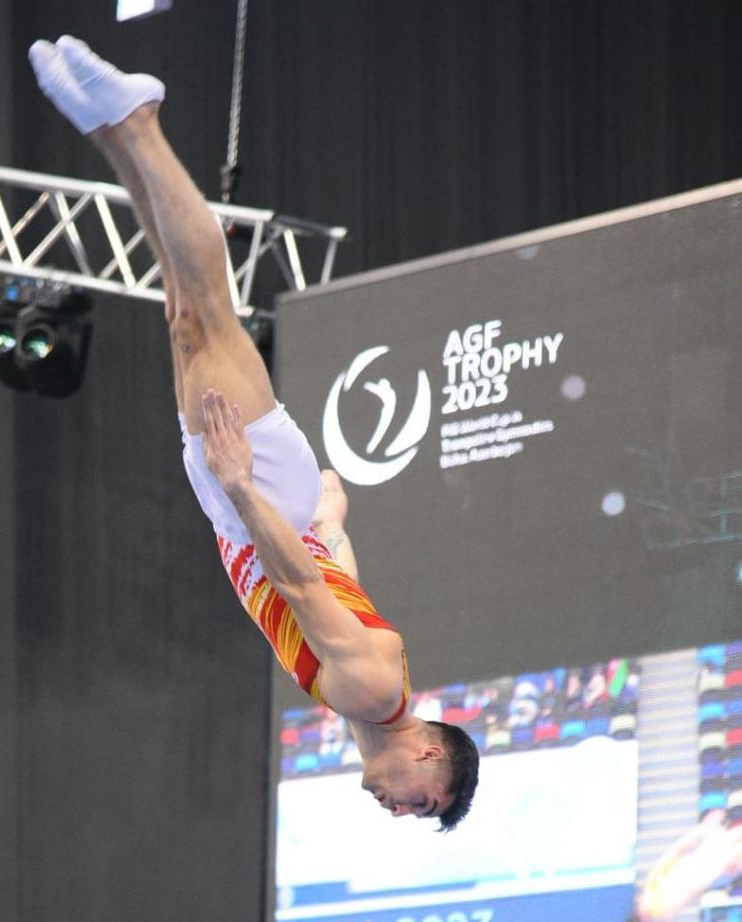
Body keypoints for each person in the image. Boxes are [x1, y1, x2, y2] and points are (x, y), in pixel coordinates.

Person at [29, 36, 478, 830]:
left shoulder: (371, 704)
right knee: (206, 308)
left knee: (184, 317)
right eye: (421, 804)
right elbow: (299, 589)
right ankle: (138, 121)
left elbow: (335, 591)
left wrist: (330, 529)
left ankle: (113, 135)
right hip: (257, 504)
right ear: (426, 756)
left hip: (270, 515)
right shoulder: (371, 693)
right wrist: (240, 487)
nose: (400, 810)